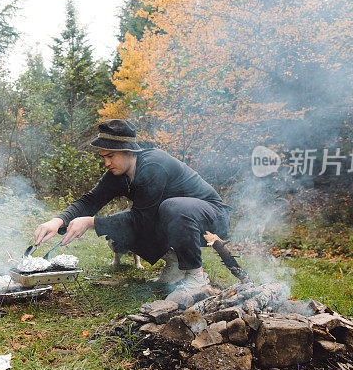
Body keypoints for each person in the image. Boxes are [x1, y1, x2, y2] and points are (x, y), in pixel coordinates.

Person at [33, 119, 231, 294]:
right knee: (123, 222)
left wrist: (91, 222)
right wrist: (57, 221)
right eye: (103, 157)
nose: (106, 162)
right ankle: (175, 265)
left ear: (129, 151)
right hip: (177, 222)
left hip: (212, 219)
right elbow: (91, 200)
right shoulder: (117, 175)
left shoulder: (154, 164)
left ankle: (196, 276)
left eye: (110, 156)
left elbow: (141, 219)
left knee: (171, 207)